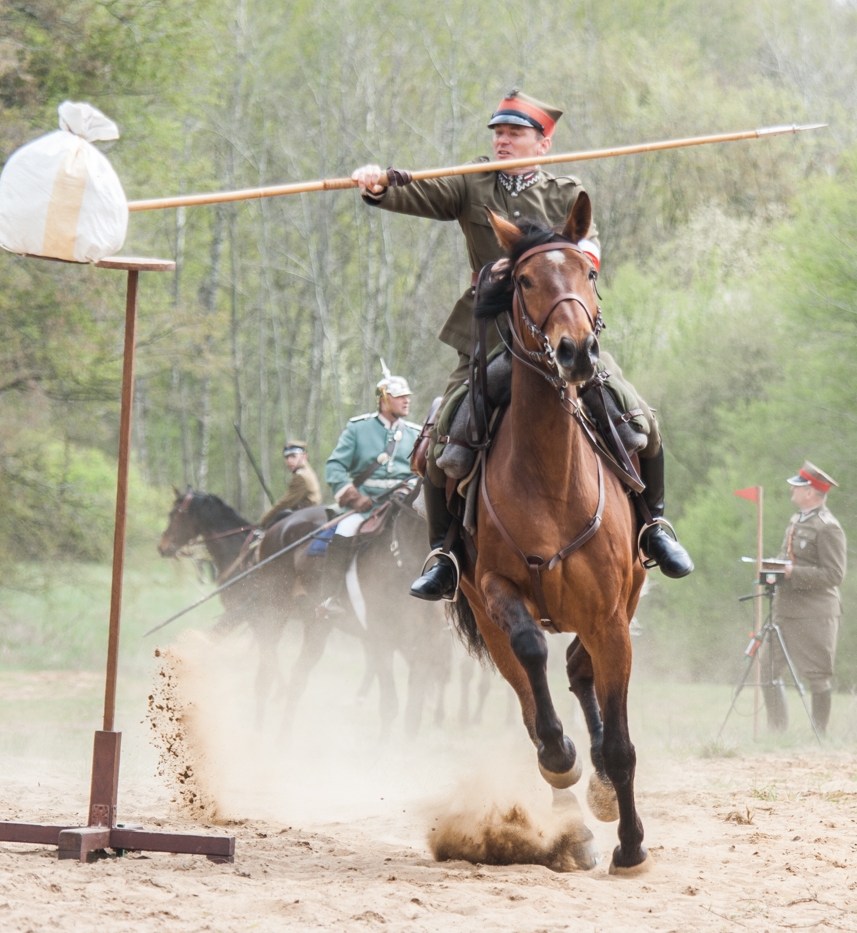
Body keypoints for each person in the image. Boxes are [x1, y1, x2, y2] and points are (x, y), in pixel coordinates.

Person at [352, 89, 692, 601]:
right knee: (441, 436)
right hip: (489, 336)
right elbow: (420, 194)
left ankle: (654, 527)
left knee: (637, 415)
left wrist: (555, 266)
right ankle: (444, 555)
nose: (502, 141)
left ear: (542, 144)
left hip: (560, 331)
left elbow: (589, 253)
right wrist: (380, 186)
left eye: (514, 133)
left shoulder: (567, 191)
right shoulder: (472, 181)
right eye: (498, 133)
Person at [318, 371, 421, 614]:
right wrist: (354, 497)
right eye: (400, 396)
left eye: (407, 396)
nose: (406, 400)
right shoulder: (358, 429)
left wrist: (409, 489)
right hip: (366, 507)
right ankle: (331, 598)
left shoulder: (416, 433)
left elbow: (422, 472)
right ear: (384, 400)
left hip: (405, 505)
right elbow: (334, 467)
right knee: (344, 532)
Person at [764, 461, 847, 734]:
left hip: (815, 613)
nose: (792, 490)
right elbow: (787, 556)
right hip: (785, 610)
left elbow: (834, 574)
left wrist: (792, 572)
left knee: (817, 676)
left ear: (810, 492)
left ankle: (819, 736)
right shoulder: (796, 520)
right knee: (767, 669)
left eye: (797, 487)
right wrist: (773, 567)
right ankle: (777, 732)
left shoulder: (828, 527)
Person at [259, 440, 322, 528]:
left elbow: (286, 503)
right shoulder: (307, 472)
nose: (289, 460)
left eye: (293, 456)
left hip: (305, 519)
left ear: (304, 457)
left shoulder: (301, 476)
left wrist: (265, 520)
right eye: (287, 457)